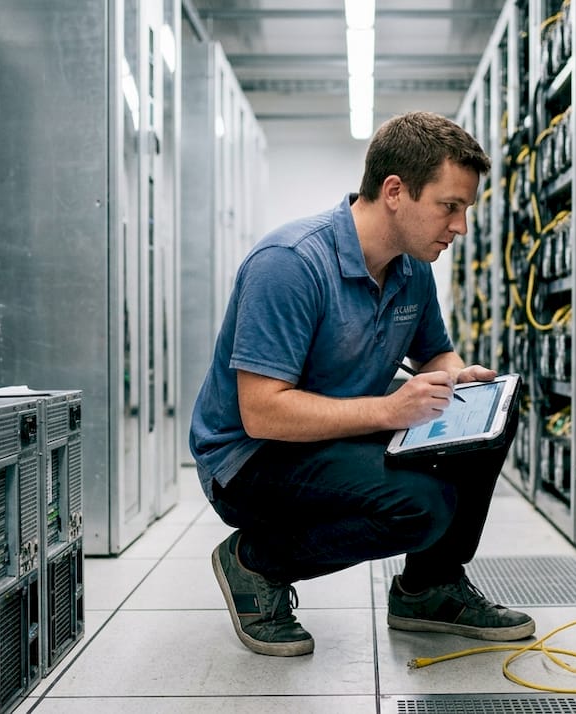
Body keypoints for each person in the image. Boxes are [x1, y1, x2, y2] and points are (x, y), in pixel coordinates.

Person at [189, 111, 534, 657]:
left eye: (464, 209)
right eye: (451, 206)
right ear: (395, 191)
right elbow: (263, 413)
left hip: (338, 435)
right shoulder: (290, 264)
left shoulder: (410, 268)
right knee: (420, 505)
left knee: (490, 416)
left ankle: (429, 587)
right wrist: (390, 412)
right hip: (251, 459)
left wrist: (457, 378)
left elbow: (435, 353)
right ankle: (254, 563)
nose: (460, 227)